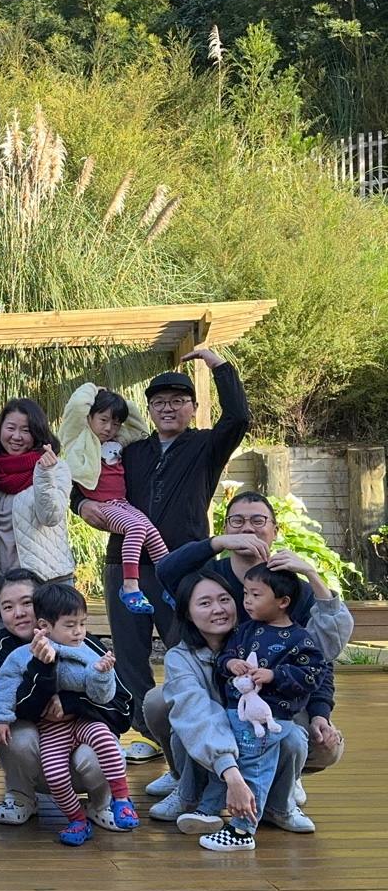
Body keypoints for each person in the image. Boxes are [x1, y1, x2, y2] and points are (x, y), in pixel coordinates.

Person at [73, 349, 249, 761]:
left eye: (178, 401)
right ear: (149, 410)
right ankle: (146, 732)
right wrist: (81, 504)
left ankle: (195, 727)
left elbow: (238, 418)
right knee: (130, 652)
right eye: (159, 402)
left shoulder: (206, 446)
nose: (168, 408)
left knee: (189, 647)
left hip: (186, 567)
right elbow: (82, 474)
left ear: (193, 407)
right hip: (126, 566)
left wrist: (218, 365)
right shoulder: (132, 449)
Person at [149, 490, 350, 827]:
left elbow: (318, 659)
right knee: (164, 703)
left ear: (274, 530)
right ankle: (185, 779)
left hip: (274, 699)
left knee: (311, 740)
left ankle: (282, 786)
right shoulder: (212, 577)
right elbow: (167, 571)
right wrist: (218, 542)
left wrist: (320, 713)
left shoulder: (290, 588)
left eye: (258, 520)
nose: (247, 528)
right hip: (220, 692)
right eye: (237, 521)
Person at [0, 584, 139, 845]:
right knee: (28, 746)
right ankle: (33, 800)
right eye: (8, 606)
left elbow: (119, 705)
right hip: (49, 738)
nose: (20, 613)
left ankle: (110, 800)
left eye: (27, 603)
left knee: (104, 741)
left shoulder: (85, 645)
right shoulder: (10, 652)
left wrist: (76, 699)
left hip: (83, 730)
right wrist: (41, 669)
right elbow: (7, 695)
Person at [199, 565, 325, 851]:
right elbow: (224, 656)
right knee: (234, 761)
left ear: (283, 601)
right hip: (236, 712)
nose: (247, 601)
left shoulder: (300, 639)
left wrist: (275, 675)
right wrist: (230, 663)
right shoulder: (245, 630)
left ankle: (242, 830)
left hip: (269, 718)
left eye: (256, 595)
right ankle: (207, 811)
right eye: (245, 593)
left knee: (254, 768)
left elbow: (313, 675)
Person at [59, 384, 168, 612]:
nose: (109, 428)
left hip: (122, 503)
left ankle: (169, 584)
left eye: (115, 423)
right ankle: (130, 587)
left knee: (152, 533)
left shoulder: (117, 441)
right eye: (103, 420)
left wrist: (120, 401)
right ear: (89, 417)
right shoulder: (79, 436)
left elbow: (139, 429)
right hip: (102, 505)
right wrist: (92, 389)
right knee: (136, 528)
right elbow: (76, 406)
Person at [0, 398, 74, 584]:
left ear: (37, 433)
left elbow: (50, 517)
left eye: (25, 430)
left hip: (48, 580)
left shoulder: (56, 468)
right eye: (11, 428)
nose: (16, 436)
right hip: (3, 581)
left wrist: (44, 474)